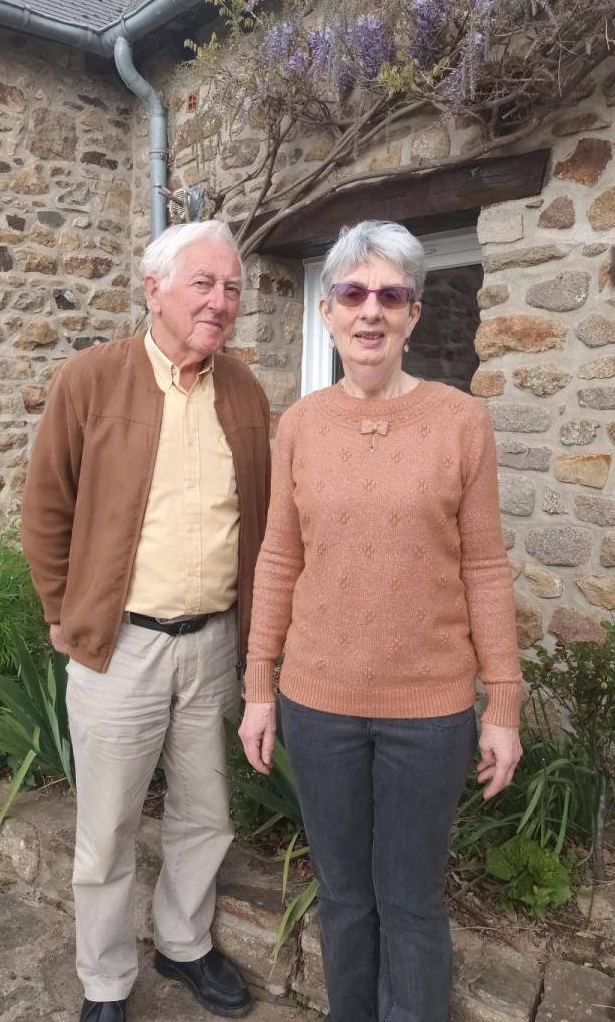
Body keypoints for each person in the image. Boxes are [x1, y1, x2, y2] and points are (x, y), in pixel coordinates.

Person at [239, 220, 522, 1022]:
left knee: (411, 901)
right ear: (327, 310)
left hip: (428, 715)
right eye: (354, 293)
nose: (371, 311)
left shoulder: (460, 422)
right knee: (342, 895)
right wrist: (259, 688)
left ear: (413, 314)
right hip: (318, 706)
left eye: (391, 296)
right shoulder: (300, 425)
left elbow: (485, 566)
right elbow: (278, 559)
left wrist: (503, 704)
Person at [21, 220, 271, 1022]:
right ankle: (104, 981)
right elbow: (46, 508)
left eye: (232, 288)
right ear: (153, 288)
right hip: (119, 645)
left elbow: (263, 520)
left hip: (214, 642)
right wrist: (62, 613)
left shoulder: (244, 391)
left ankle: (184, 945)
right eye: (203, 283)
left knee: (206, 814)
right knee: (107, 829)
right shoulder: (91, 379)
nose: (220, 301)